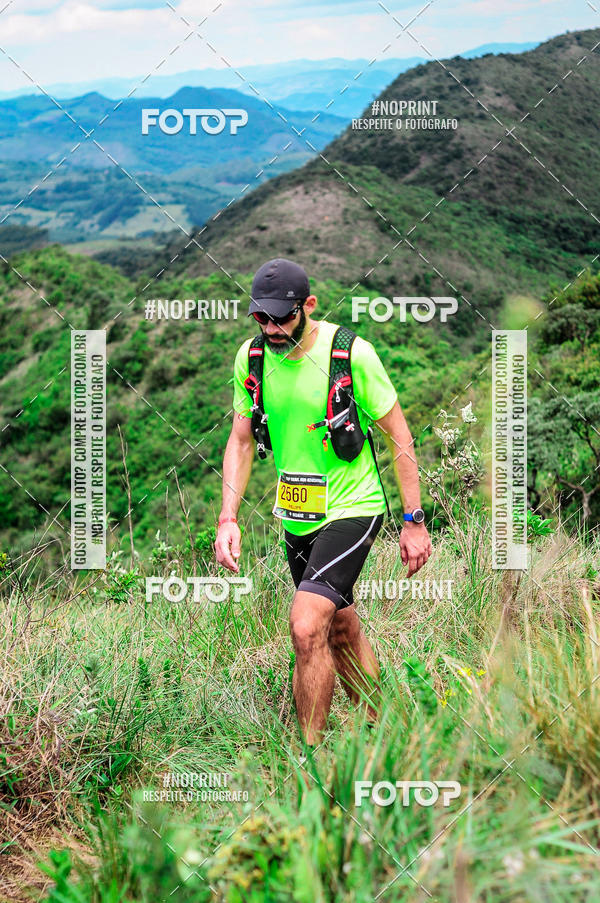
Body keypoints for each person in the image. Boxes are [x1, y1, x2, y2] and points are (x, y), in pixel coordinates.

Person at [215, 258, 432, 748]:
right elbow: (241, 441)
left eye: (282, 317)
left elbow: (399, 438)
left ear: (308, 305)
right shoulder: (251, 358)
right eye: (261, 318)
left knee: (306, 623)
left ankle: (308, 759)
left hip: (354, 507)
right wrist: (228, 517)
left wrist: (414, 520)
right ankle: (384, 730)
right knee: (339, 624)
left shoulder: (350, 355)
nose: (271, 328)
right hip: (297, 513)